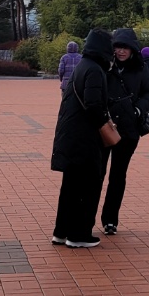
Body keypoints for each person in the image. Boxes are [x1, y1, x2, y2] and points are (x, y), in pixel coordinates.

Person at [50, 29, 114, 248]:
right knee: (87, 186)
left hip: (70, 136)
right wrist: (105, 123)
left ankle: (61, 232)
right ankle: (79, 235)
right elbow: (93, 104)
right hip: (84, 139)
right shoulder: (95, 70)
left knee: (70, 187)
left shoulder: (82, 66)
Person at [100, 29, 149, 237]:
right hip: (105, 127)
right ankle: (86, 219)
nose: (121, 51)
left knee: (118, 175)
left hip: (128, 130)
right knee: (97, 173)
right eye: (117, 47)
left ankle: (110, 220)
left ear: (133, 49)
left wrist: (138, 109)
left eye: (125, 47)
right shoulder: (105, 65)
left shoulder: (140, 68)